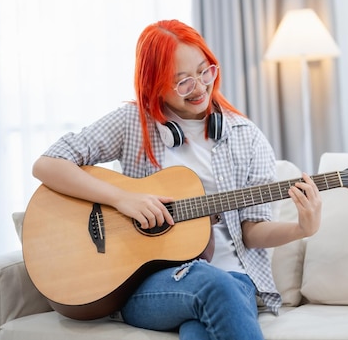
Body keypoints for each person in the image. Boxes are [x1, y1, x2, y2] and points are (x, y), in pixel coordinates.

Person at [32, 19, 322, 339]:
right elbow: (48, 164)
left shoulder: (247, 137)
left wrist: (300, 229)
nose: (199, 87)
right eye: (182, 81)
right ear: (154, 85)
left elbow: (250, 232)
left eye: (204, 71)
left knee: (201, 326)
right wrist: (123, 199)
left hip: (233, 277)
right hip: (150, 284)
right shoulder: (132, 123)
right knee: (214, 284)